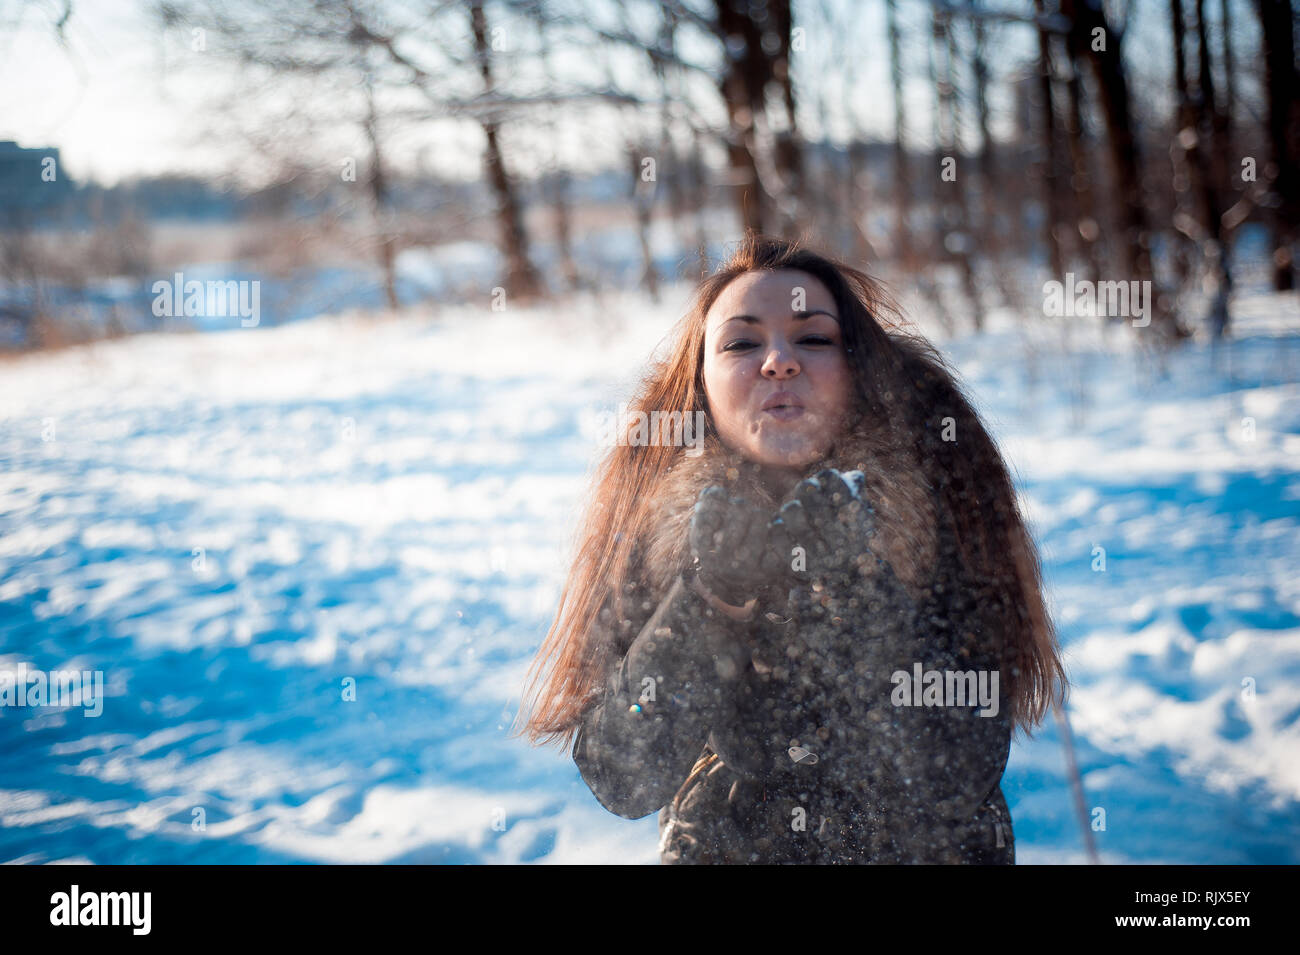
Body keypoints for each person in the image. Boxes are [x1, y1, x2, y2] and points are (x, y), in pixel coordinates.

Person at [514, 234, 1068, 864]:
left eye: (813, 338)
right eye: (742, 342)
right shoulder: (652, 513)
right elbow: (622, 772)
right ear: (700, 383)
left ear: (858, 366)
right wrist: (707, 603)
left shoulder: (941, 489)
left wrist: (859, 589)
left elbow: (954, 771)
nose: (778, 361)